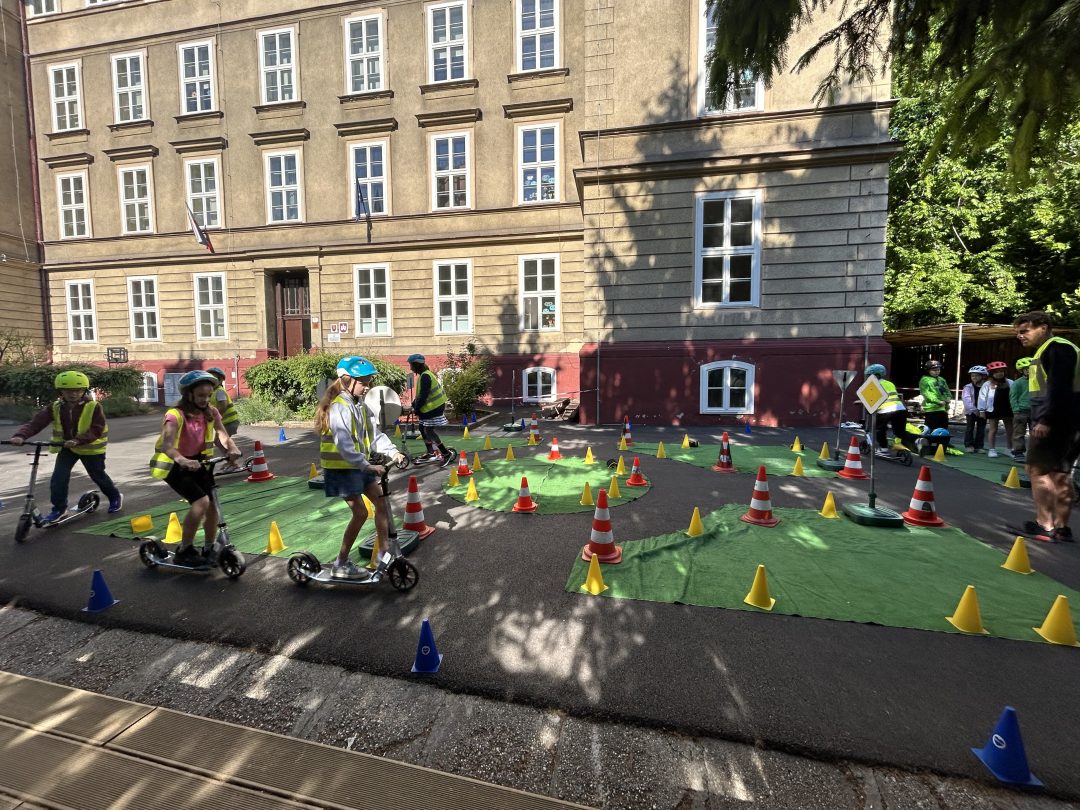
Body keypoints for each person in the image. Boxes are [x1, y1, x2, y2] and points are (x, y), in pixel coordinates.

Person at [315, 356, 406, 578]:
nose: (367, 387)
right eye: (363, 382)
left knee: (381, 503)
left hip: (358, 466)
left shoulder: (361, 406)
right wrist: (367, 465)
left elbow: (375, 435)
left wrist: (393, 452)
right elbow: (344, 444)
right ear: (347, 381)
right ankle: (340, 563)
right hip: (341, 470)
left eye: (368, 382)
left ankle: (382, 554)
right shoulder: (339, 407)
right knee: (361, 513)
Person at [149, 370, 241, 564]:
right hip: (174, 465)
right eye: (200, 395)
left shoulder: (211, 412)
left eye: (208, 395)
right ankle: (185, 550)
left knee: (212, 506)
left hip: (199, 463)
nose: (205, 399)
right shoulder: (175, 415)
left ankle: (208, 548)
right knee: (201, 502)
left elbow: (222, 435)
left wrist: (232, 448)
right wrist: (183, 460)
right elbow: (167, 445)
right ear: (188, 394)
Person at [9, 370, 124, 521]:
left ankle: (115, 497)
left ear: (84, 391)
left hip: (91, 449)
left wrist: (78, 440)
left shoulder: (93, 406)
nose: (73, 394)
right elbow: (36, 423)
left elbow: (97, 429)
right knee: (58, 479)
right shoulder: (55, 407)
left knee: (98, 476)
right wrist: (20, 436)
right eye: (68, 390)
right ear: (61, 391)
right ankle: (59, 509)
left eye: (78, 390)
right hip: (68, 448)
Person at [1014, 311, 1080, 543]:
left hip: (1056, 421)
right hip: (1071, 421)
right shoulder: (1062, 348)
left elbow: (1059, 387)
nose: (1020, 336)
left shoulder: (1055, 348)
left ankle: (1044, 525)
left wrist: (1046, 420)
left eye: (1025, 331)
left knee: (1037, 470)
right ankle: (1062, 528)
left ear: (1043, 327)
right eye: (1018, 332)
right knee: (1061, 474)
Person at [406, 353, 454, 468]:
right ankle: (431, 452)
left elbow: (423, 396)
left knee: (428, 430)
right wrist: (414, 404)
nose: (410, 368)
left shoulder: (425, 376)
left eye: (411, 365)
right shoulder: (424, 375)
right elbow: (420, 394)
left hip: (434, 408)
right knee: (422, 428)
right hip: (432, 407)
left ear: (416, 365)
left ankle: (446, 453)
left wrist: (416, 409)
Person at [864, 364, 909, 456]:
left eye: (869, 375)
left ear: (876, 375)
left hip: (885, 410)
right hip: (900, 409)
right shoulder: (890, 383)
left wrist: (867, 409)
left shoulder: (872, 384)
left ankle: (883, 449)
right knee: (899, 430)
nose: (868, 377)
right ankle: (901, 444)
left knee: (880, 429)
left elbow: (871, 401)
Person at [206, 367, 242, 470]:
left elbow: (223, 405)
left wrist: (213, 417)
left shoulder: (219, 391)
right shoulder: (212, 392)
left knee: (220, 441)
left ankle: (232, 461)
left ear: (220, 380)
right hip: (226, 422)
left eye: (214, 379)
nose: (211, 381)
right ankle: (231, 460)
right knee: (218, 441)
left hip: (230, 421)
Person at [978, 361, 1013, 458]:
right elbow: (982, 397)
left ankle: (1009, 448)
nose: (999, 373)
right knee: (993, 429)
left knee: (1010, 429)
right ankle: (992, 449)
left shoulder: (1010, 382)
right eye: (996, 372)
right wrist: (981, 410)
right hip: (993, 408)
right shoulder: (987, 384)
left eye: (1001, 371)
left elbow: (1014, 395)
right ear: (991, 374)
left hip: (1007, 408)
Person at [919, 360, 952, 433]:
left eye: (938, 370)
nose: (937, 372)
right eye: (934, 370)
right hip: (932, 409)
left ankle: (943, 439)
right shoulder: (924, 380)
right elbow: (926, 393)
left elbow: (947, 390)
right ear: (928, 371)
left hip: (943, 409)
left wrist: (948, 397)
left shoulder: (941, 379)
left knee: (943, 428)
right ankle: (929, 439)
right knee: (931, 429)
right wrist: (938, 401)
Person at [1010, 357, 1032, 461]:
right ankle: (1018, 452)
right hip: (1021, 411)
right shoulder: (1018, 383)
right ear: (1022, 370)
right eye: (1026, 369)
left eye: (1031, 368)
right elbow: (1013, 397)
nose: (1029, 370)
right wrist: (1016, 410)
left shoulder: (1039, 382)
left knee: (1036, 434)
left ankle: (1034, 453)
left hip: (1035, 410)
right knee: (1019, 433)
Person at [961, 365, 988, 453]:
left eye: (977, 375)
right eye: (972, 376)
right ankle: (969, 445)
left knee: (981, 429)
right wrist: (974, 410)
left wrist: (984, 410)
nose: (974, 377)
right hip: (971, 411)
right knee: (970, 428)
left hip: (983, 411)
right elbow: (966, 399)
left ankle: (979, 446)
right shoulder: (968, 387)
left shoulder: (987, 387)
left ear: (983, 376)